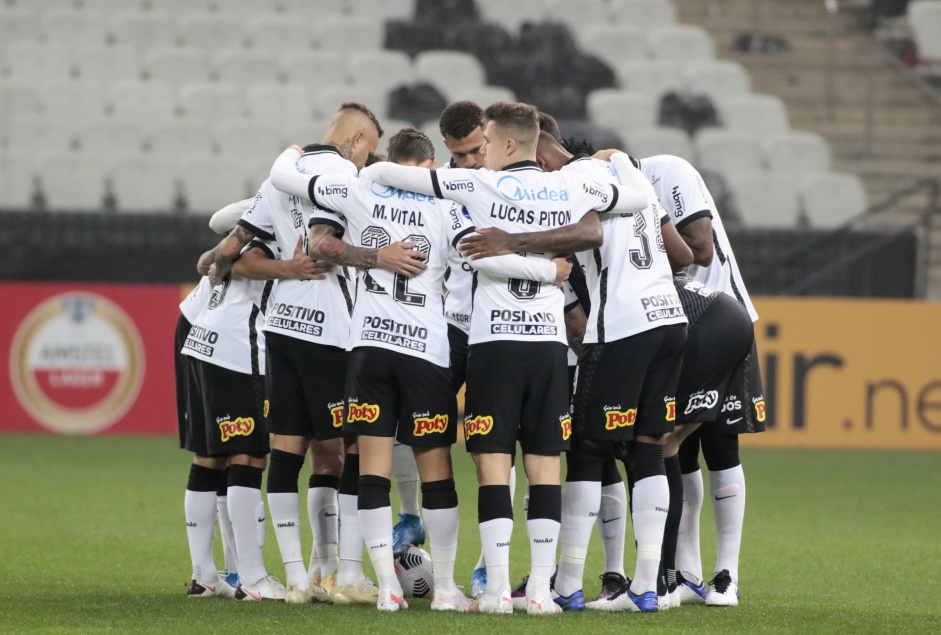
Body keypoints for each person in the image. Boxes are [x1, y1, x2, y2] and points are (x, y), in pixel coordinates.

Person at [359, 102, 650, 615]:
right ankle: (540, 591)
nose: (480, 155)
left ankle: (495, 589)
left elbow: (384, 172)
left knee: (492, 464)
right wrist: (618, 162)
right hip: (547, 345)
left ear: (509, 144)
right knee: (543, 467)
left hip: (493, 343)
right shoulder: (574, 184)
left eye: (487, 144)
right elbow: (640, 197)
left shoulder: (477, 186)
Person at [268, 126, 569, 611]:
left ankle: (387, 587)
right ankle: (446, 588)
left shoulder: (357, 187)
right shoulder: (446, 203)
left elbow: (293, 193)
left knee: (372, 471)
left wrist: (291, 151)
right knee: (438, 475)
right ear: (431, 168)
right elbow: (487, 255)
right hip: (426, 352)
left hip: (368, 349)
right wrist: (547, 271)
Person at [458, 132, 689, 613]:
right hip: (670, 317)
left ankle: (565, 583)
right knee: (649, 446)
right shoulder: (626, 175)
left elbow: (587, 234)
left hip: (622, 325)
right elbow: (683, 253)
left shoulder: (573, 182)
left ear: (539, 154)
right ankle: (645, 587)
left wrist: (512, 243)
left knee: (585, 447)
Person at [210, 103, 415, 605]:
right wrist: (378, 257)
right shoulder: (346, 177)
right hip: (333, 331)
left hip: (280, 328)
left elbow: (225, 255)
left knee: (288, 448)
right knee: (348, 449)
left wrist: (281, 268)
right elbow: (327, 247)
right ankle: (343, 572)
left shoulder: (279, 179)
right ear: (360, 139)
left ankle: (301, 577)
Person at [637, 154, 766, 607]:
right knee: (678, 450)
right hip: (676, 325)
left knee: (720, 446)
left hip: (721, 318)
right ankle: (688, 572)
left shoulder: (666, 171)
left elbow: (700, 248)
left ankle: (725, 573)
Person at [183, 201, 326, 601]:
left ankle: (206, 576)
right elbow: (242, 262)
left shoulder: (252, 226)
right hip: (237, 348)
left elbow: (212, 252)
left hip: (204, 338)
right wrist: (292, 268)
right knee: (248, 457)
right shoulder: (275, 222)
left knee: (210, 458)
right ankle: (252, 577)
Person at [388, 100, 488, 561]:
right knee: (410, 422)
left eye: (474, 151)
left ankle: (490, 565)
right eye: (458, 154)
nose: (467, 162)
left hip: (504, 332)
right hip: (454, 327)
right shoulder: (437, 187)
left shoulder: (522, 185)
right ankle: (410, 517)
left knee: (495, 446)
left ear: (492, 136)